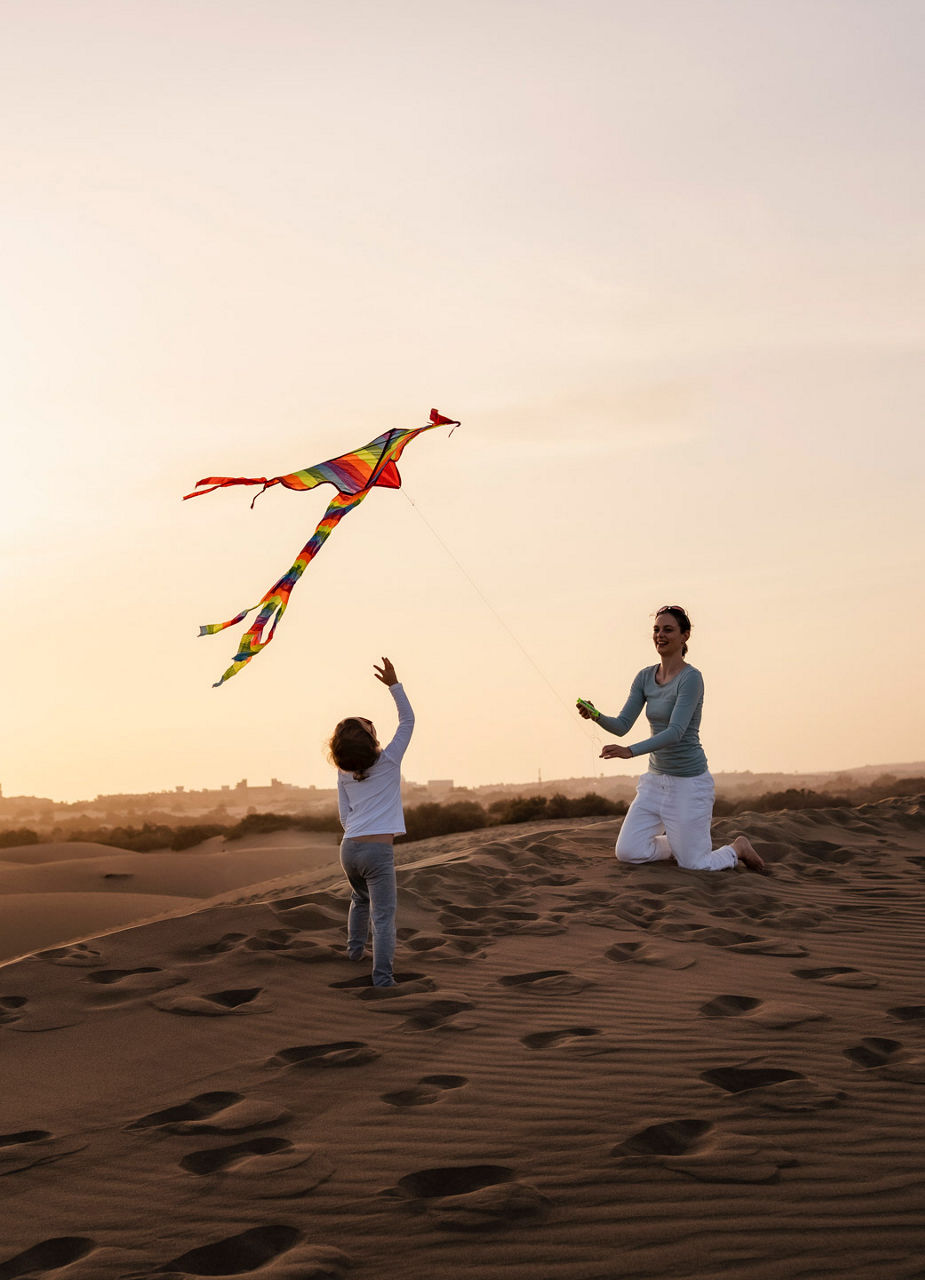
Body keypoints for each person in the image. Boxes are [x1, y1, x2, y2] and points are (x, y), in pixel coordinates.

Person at [578, 606, 766, 873]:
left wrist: (630, 752)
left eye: (668, 629)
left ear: (684, 636)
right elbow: (621, 726)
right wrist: (595, 716)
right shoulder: (645, 676)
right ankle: (680, 844)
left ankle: (736, 849)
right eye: (656, 629)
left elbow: (675, 731)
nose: (660, 635)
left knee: (696, 864)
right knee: (628, 852)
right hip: (655, 783)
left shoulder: (691, 678)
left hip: (689, 784)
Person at [328, 657, 414, 986]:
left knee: (359, 898)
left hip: (349, 849)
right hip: (378, 853)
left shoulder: (344, 772)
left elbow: (343, 815)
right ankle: (383, 979)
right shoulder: (390, 760)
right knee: (383, 917)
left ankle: (353, 951)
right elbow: (408, 720)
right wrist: (394, 685)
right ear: (369, 740)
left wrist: (359, 835)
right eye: (368, 726)